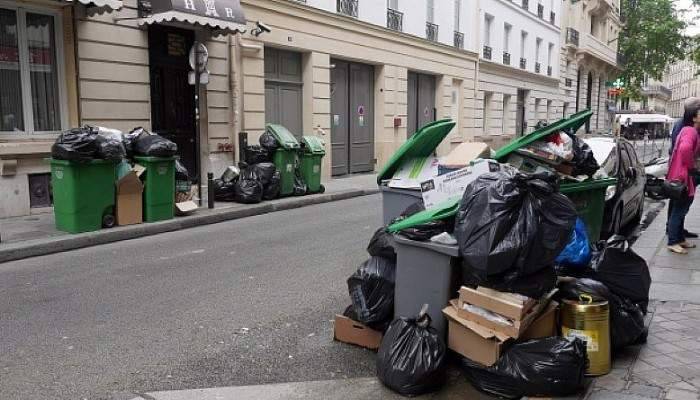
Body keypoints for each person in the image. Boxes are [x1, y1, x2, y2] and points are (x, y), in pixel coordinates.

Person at [666, 103, 700, 254]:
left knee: (682, 207)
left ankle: (679, 238)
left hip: (682, 174)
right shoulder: (690, 131)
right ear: (694, 117)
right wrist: (691, 166)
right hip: (683, 175)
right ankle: (673, 241)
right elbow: (685, 149)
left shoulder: (691, 130)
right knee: (680, 209)